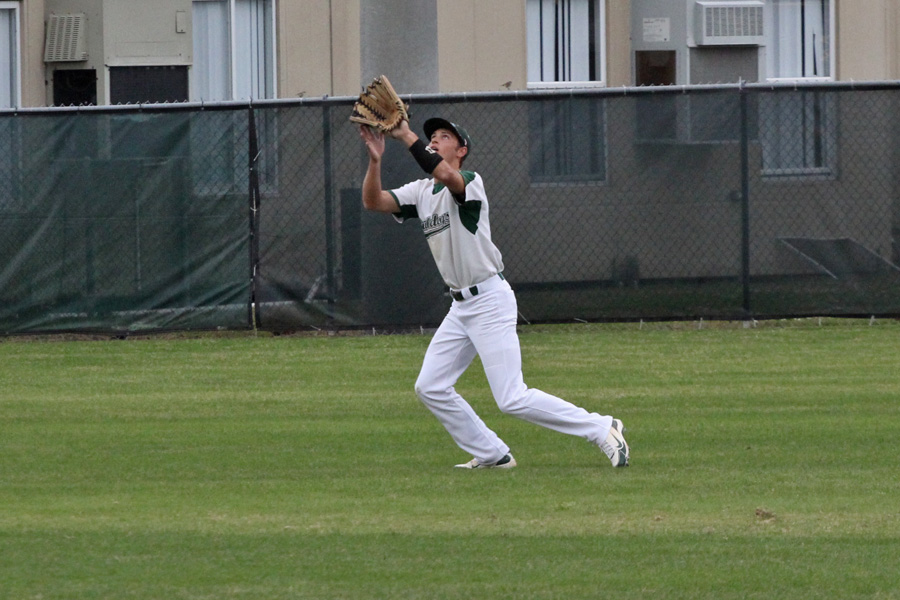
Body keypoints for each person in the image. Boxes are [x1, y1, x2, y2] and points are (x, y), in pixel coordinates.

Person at [358, 116, 630, 469]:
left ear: (462, 150)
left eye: (444, 136)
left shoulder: (470, 182)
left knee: (511, 398)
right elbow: (374, 202)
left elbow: (448, 177)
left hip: (489, 299)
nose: (436, 140)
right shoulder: (421, 193)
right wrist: (376, 159)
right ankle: (492, 453)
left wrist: (406, 135)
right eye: (432, 137)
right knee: (430, 387)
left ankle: (602, 427)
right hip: (460, 308)